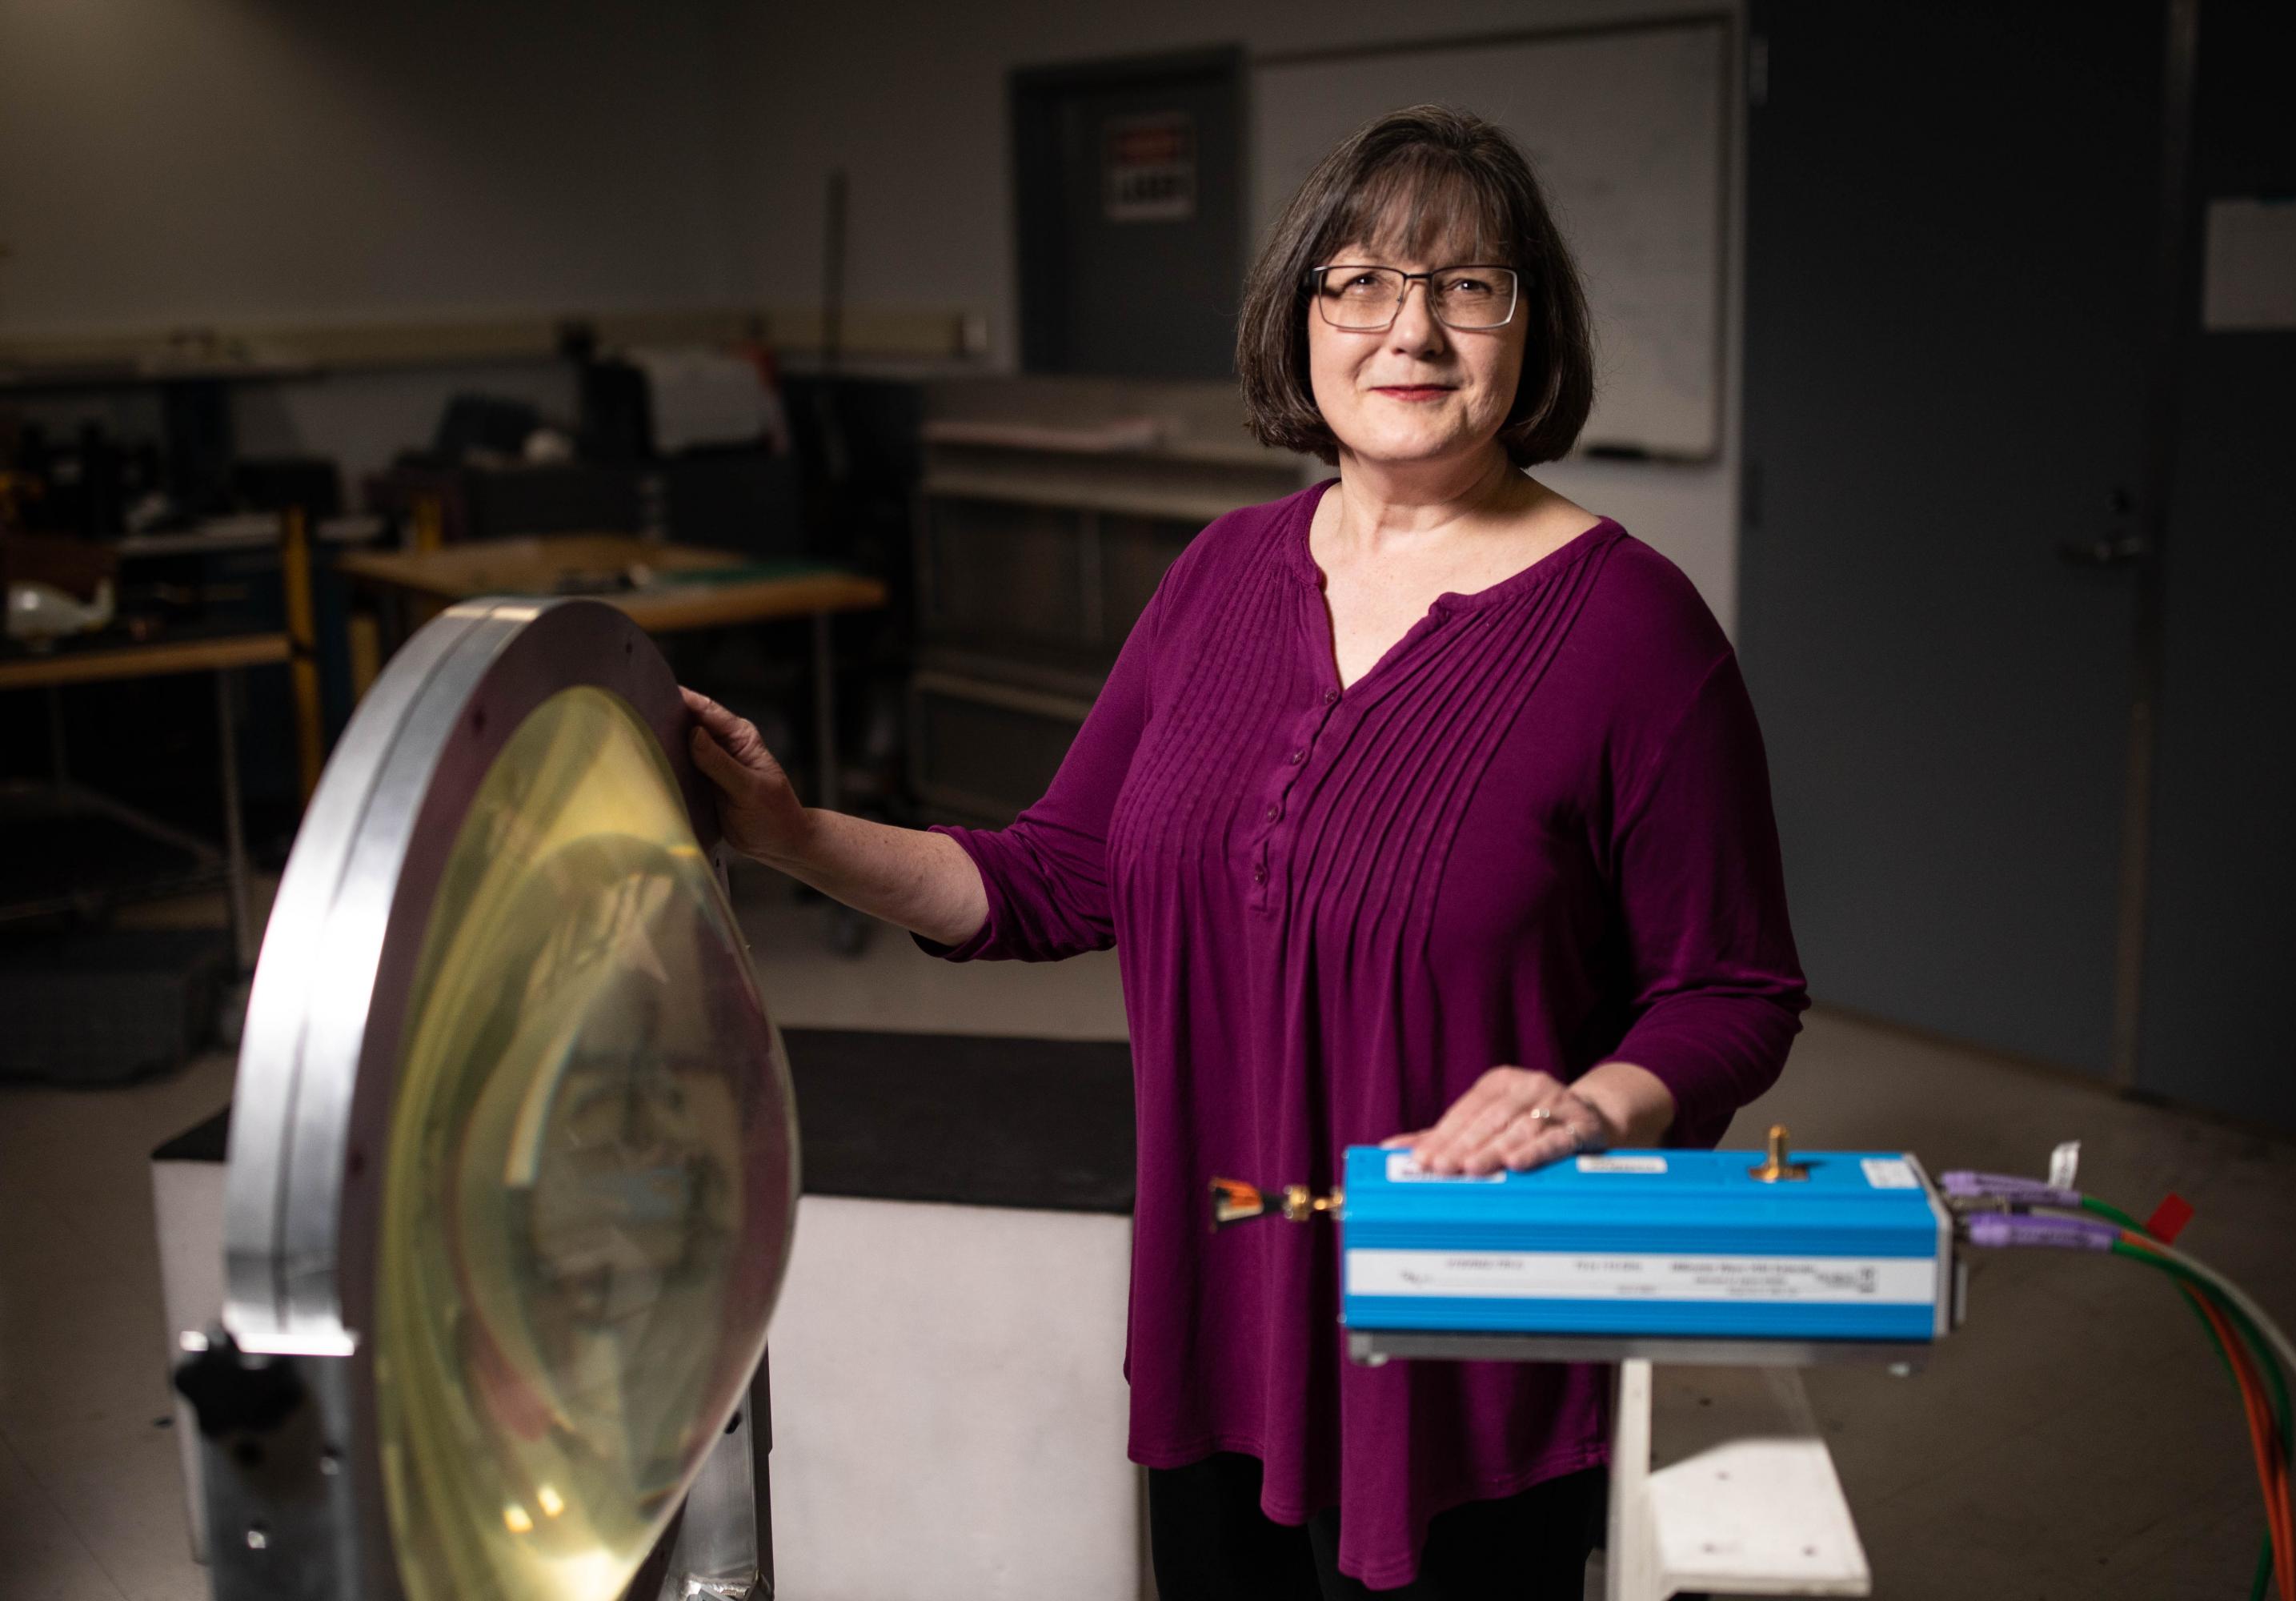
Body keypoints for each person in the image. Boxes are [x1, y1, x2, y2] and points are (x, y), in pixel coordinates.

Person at [683, 104, 1807, 1599]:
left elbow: (1733, 989)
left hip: (1466, 1344)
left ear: (1532, 330)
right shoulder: (1219, 577)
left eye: (1469, 286)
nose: (1413, 328)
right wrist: (792, 834)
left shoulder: (1634, 631)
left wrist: (1589, 1104)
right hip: (1221, 1324)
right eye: (1363, 282)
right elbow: (1049, 875)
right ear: (1302, 317)